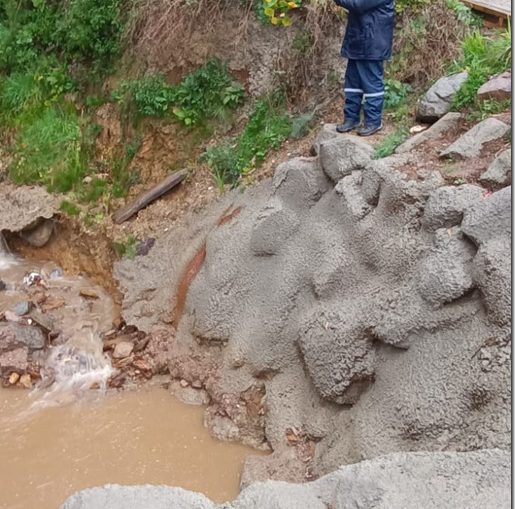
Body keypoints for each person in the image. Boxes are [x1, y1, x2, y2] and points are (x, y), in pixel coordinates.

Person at [333, 0, 395, 136]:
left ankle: (373, 122)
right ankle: (351, 119)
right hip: (357, 39)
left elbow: (358, 4)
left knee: (372, 84)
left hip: (373, 42)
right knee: (352, 84)